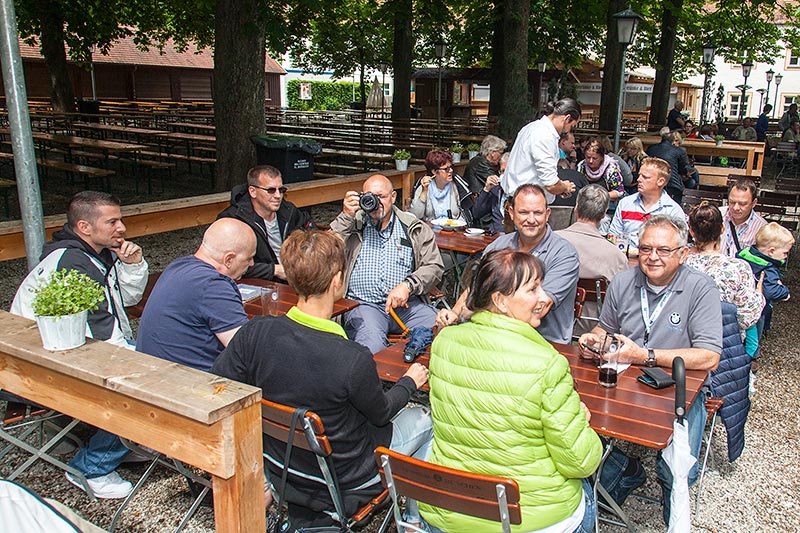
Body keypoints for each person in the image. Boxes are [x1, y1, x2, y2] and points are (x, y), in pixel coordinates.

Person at [212, 230, 432, 529]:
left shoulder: (254, 333)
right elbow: (381, 413)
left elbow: (220, 386)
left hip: (281, 468)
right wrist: (409, 382)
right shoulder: (352, 357)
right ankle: (416, 519)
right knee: (426, 418)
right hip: (349, 480)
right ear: (337, 280)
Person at [419, 249, 602, 533]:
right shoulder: (547, 364)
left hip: (449, 509)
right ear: (500, 302)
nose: (543, 298)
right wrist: (582, 421)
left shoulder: (444, 342)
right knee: (588, 493)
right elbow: (580, 462)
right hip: (523, 520)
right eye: (532, 289)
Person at [579, 215, 721, 520]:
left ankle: (673, 517)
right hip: (625, 378)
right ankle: (622, 474)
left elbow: (709, 356)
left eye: (663, 250)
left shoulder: (701, 288)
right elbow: (606, 330)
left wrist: (645, 355)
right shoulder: (623, 281)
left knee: (677, 469)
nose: (652, 257)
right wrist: (593, 339)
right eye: (645, 249)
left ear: (683, 254)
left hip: (682, 389)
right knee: (577, 430)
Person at [11, 191, 149, 499]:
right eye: (112, 221)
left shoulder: (94, 253)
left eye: (121, 219)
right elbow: (103, 334)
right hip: (40, 366)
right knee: (147, 386)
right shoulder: (73, 262)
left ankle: (128, 441)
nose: (122, 228)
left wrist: (133, 264)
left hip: (60, 353)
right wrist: (149, 365)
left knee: (153, 360)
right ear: (85, 227)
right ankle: (91, 468)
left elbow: (126, 300)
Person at [438, 184, 580, 344]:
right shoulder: (498, 245)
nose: (531, 219)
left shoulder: (564, 253)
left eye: (538, 213)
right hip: (494, 336)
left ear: (547, 214)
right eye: (524, 212)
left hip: (544, 342)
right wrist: (455, 313)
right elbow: (476, 288)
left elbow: (538, 308)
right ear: (511, 213)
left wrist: (479, 313)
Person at [331, 174, 444, 353]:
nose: (376, 202)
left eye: (381, 197)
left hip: (407, 306)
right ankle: (381, 380)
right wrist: (345, 217)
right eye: (370, 197)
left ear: (393, 197)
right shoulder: (353, 224)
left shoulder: (413, 227)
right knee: (372, 344)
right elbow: (324, 253)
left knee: (444, 332)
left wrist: (408, 285)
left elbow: (434, 267)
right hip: (364, 305)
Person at [136, 218, 255, 372]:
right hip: (187, 384)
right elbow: (246, 353)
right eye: (249, 258)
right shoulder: (213, 285)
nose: (252, 264)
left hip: (151, 373)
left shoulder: (178, 265)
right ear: (229, 259)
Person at [686, 204, 764, 354]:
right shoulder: (738, 268)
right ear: (722, 229)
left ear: (691, 230)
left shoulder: (677, 261)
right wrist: (759, 295)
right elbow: (747, 317)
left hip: (681, 340)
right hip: (723, 344)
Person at [216, 165, 314, 281]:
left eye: (281, 190)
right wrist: (274, 270)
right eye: (271, 190)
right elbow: (228, 265)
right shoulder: (232, 220)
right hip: (259, 284)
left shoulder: (289, 211)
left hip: (296, 279)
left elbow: (313, 233)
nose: (278, 196)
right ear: (253, 191)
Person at [556, 185, 629, 336]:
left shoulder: (551, 241)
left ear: (576, 208)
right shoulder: (617, 257)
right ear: (603, 215)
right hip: (592, 328)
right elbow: (623, 302)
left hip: (553, 321)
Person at [502, 98, 580, 202]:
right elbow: (550, 184)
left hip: (522, 198)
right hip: (527, 203)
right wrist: (565, 187)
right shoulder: (544, 135)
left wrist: (559, 188)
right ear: (566, 119)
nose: (569, 130)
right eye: (572, 126)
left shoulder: (531, 127)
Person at [608, 157, 684, 250]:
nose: (639, 179)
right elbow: (613, 235)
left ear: (660, 181)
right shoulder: (625, 203)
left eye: (645, 177)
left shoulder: (673, 211)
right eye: (640, 175)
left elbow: (677, 246)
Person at [737, 222, 794, 340]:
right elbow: (771, 291)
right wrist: (785, 292)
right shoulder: (768, 268)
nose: (786, 256)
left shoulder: (743, 254)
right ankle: (753, 352)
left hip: (740, 301)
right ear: (771, 251)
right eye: (785, 253)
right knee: (754, 336)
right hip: (759, 307)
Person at [409, 150, 472, 224]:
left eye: (451, 167)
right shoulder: (424, 186)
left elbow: (464, 214)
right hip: (430, 231)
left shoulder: (456, 186)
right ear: (434, 172)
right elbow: (416, 215)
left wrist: (458, 225)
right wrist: (424, 192)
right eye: (446, 169)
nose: (451, 170)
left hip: (453, 230)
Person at [576, 139, 625, 230]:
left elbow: (619, 191)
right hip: (584, 208)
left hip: (606, 210)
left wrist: (599, 196)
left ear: (601, 157)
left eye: (594, 158)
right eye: (587, 157)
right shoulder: (581, 166)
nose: (590, 161)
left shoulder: (611, 169)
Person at [720, 177, 768, 258]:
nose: (736, 208)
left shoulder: (761, 228)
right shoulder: (716, 215)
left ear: (754, 203)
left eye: (742, 204)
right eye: (732, 202)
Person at [646, 129, 690, 204]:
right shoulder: (679, 151)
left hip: (652, 181)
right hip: (672, 183)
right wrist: (686, 174)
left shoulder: (651, 148)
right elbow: (683, 169)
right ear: (673, 141)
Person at [472, 152, 509, 234]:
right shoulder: (496, 190)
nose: (504, 175)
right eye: (502, 171)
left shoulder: (522, 193)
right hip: (495, 237)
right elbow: (477, 213)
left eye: (507, 171)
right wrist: (486, 189)